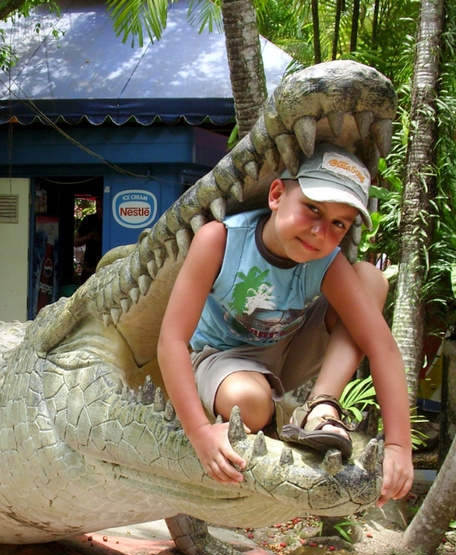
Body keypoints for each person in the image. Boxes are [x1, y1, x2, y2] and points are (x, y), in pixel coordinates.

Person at [158, 144, 413, 508]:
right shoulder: (221, 240)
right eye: (313, 209)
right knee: (249, 404)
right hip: (221, 356)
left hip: (287, 350)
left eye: (339, 223)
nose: (320, 232)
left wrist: (400, 446)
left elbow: (382, 346)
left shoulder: (326, 260)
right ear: (277, 195)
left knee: (371, 279)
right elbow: (172, 339)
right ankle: (280, 409)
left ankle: (321, 405)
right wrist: (199, 432)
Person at [74, 213, 102, 282]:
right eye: (98, 207)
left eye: (102, 207)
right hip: (90, 265)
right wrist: (88, 237)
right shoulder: (89, 220)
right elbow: (76, 242)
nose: (100, 210)